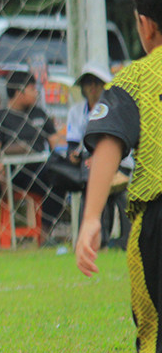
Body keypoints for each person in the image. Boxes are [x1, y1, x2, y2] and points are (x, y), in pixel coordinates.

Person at [76, 0, 162, 353]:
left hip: (157, 220)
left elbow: (108, 144)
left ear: (144, 24)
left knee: (157, 349)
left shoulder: (133, 80)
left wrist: (89, 222)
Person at [0, 70, 66, 250]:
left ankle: (46, 236)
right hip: (8, 172)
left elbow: (55, 143)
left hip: (36, 171)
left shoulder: (39, 114)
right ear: (19, 92)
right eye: (32, 88)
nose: (36, 92)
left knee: (58, 179)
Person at [65, 63, 131, 250]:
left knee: (122, 197)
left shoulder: (116, 108)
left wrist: (102, 159)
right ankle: (93, 240)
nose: (93, 88)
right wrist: (75, 155)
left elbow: (118, 142)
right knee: (89, 188)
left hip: (121, 162)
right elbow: (72, 144)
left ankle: (127, 240)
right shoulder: (76, 112)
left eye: (97, 83)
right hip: (87, 162)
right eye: (88, 84)